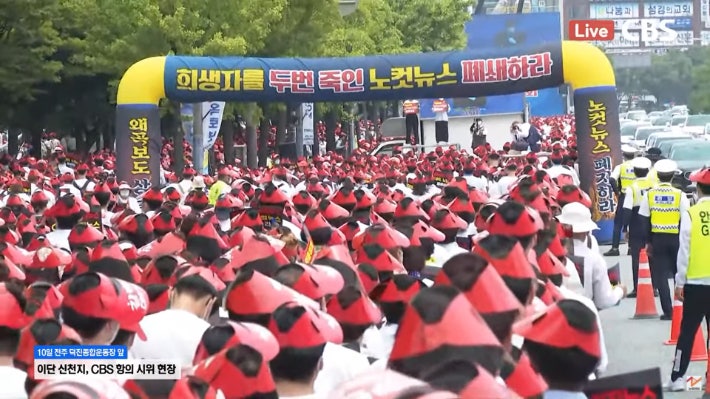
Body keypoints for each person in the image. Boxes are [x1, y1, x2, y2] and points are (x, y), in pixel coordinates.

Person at [665, 166, 710, 391]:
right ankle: (708, 379)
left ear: (698, 189)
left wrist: (679, 282)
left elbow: (685, 251)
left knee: (687, 332)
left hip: (696, 284)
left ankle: (678, 378)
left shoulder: (691, 213)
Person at [638, 159, 688, 320]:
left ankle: (668, 311)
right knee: (678, 273)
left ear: (658, 176)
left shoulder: (650, 194)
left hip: (657, 238)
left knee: (660, 275)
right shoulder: (679, 195)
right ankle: (682, 308)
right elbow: (686, 219)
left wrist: (648, 241)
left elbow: (644, 219)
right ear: (673, 176)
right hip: (676, 238)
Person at [557, 202, 626, 310]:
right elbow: (603, 301)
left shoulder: (548, 252)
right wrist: (620, 291)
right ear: (587, 229)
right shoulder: (594, 258)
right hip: (584, 315)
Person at [622, 156, 654, 297]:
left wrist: (625, 228)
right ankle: (655, 287)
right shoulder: (653, 186)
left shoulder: (632, 188)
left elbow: (627, 210)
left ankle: (637, 288)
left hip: (635, 223)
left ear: (634, 172)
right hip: (651, 222)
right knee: (652, 255)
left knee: (636, 257)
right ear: (648, 171)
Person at [604, 145, 637, 257]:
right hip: (636, 197)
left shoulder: (621, 167)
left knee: (618, 223)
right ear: (634, 155)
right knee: (633, 222)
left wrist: (617, 192)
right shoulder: (639, 166)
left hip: (624, 196)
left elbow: (612, 179)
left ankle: (615, 248)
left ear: (624, 155)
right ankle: (631, 248)